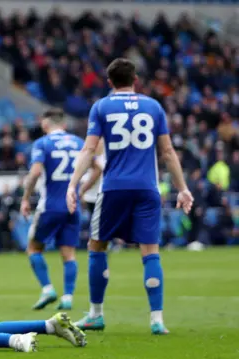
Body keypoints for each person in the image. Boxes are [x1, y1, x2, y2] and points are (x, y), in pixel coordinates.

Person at [66, 58, 194, 335]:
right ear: (135, 79)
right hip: (148, 188)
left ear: (110, 82)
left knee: (96, 245)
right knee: (150, 251)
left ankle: (95, 314)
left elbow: (89, 151)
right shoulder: (153, 107)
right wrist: (183, 187)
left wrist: (73, 185)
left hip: (114, 187)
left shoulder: (101, 107)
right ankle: (157, 319)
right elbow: (168, 152)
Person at [20, 108, 97, 311]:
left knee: (34, 248)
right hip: (72, 206)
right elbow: (99, 168)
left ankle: (47, 289)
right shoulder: (79, 143)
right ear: (63, 124)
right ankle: (68, 297)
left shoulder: (43, 143)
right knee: (69, 253)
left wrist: (26, 198)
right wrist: (81, 192)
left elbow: (35, 172)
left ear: (45, 125)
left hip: (50, 206)